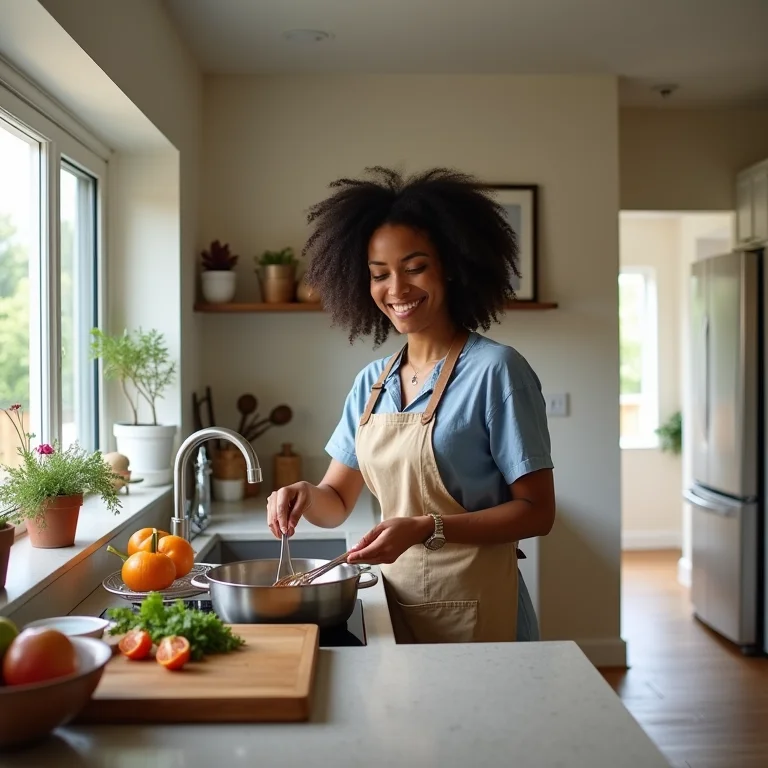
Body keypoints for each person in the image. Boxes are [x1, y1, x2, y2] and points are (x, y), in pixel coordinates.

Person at [267, 166, 556, 644]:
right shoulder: (371, 383)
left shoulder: (497, 371)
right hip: (395, 606)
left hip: (480, 609)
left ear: (453, 265)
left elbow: (536, 512)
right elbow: (336, 501)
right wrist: (301, 493)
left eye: (415, 267)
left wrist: (427, 527)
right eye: (379, 274)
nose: (396, 289)